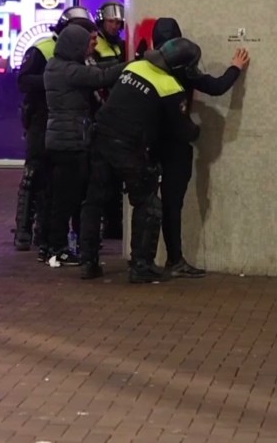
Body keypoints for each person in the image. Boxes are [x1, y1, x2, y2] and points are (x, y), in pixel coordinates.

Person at [78, 37, 202, 283]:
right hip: (129, 148)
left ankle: (88, 262)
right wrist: (199, 130)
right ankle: (141, 266)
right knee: (148, 203)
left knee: (94, 201)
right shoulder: (169, 86)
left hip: (100, 138)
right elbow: (183, 130)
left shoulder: (134, 67)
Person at [150, 18, 250, 277]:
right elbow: (216, 87)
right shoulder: (183, 67)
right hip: (175, 144)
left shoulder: (145, 66)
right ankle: (174, 259)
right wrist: (235, 67)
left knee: (146, 203)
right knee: (172, 203)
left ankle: (143, 260)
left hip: (148, 142)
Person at [13, 6, 96, 254]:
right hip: (41, 117)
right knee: (35, 173)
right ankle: (24, 230)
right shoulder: (42, 49)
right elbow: (23, 81)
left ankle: (50, 232)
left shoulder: (86, 53)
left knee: (61, 183)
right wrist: (57, 80)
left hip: (70, 122)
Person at [43, 24, 125, 266]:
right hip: (69, 142)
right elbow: (101, 76)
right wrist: (133, 64)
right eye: (88, 43)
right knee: (66, 199)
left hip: (62, 140)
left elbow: (98, 70)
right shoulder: (69, 71)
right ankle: (57, 248)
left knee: (62, 197)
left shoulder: (57, 66)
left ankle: (56, 246)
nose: (93, 46)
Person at [91, 0, 128, 240]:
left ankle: (114, 225)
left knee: (116, 176)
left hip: (117, 113)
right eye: (111, 21)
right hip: (100, 112)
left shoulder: (121, 45)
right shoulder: (94, 45)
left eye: (118, 22)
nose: (115, 26)